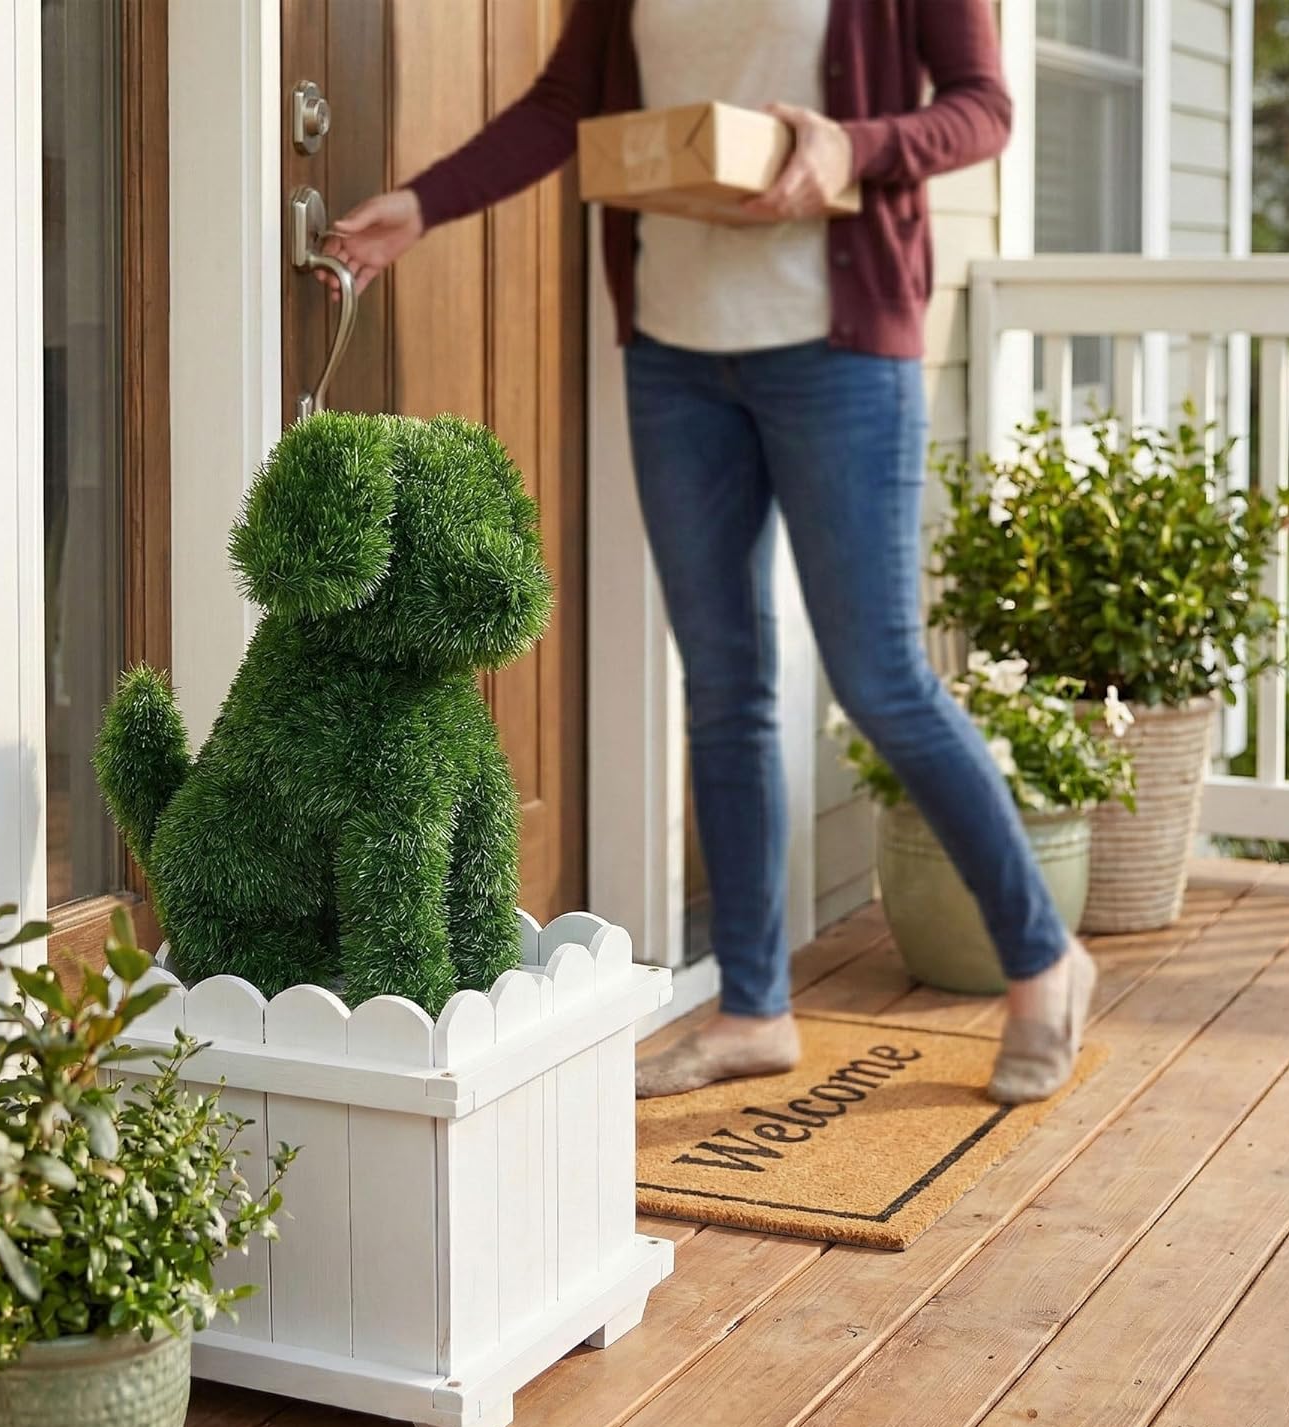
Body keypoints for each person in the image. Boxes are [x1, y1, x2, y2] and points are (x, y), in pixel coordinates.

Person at [324, 0, 1095, 1106]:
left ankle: (1042, 962)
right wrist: (421, 206)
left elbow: (982, 111)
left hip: (840, 357)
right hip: (678, 361)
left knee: (883, 679)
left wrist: (854, 144)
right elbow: (564, 107)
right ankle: (752, 1009)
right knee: (726, 689)